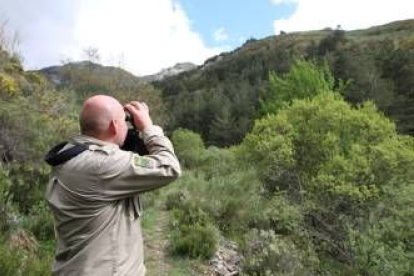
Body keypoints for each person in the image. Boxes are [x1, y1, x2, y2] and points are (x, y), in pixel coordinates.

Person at [44, 95, 181, 276]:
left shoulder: (69, 154)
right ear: (115, 126)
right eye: (124, 121)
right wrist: (148, 128)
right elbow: (169, 167)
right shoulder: (102, 165)